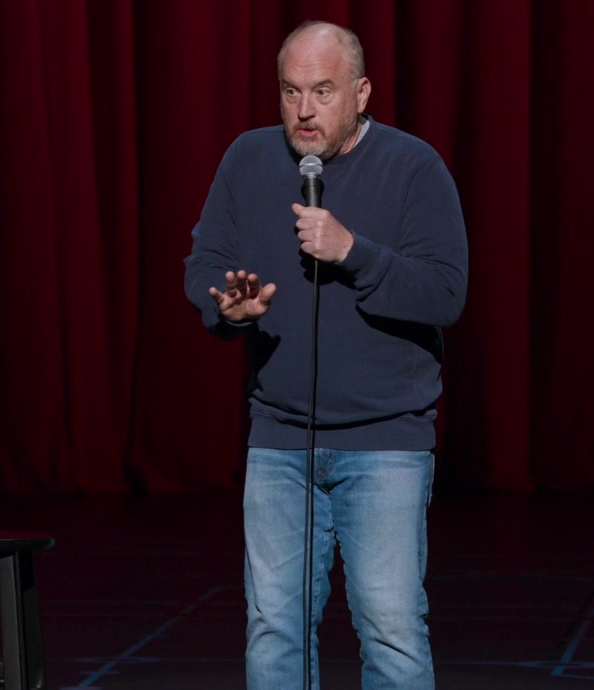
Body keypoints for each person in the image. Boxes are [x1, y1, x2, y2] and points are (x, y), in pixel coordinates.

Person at [184, 19, 468, 690]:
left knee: (391, 630)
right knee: (274, 629)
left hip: (385, 442)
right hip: (279, 439)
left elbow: (445, 293)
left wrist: (353, 253)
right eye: (291, 92)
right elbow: (205, 262)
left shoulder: (414, 166)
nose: (304, 111)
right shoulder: (247, 158)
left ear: (361, 93)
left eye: (322, 91)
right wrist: (226, 305)